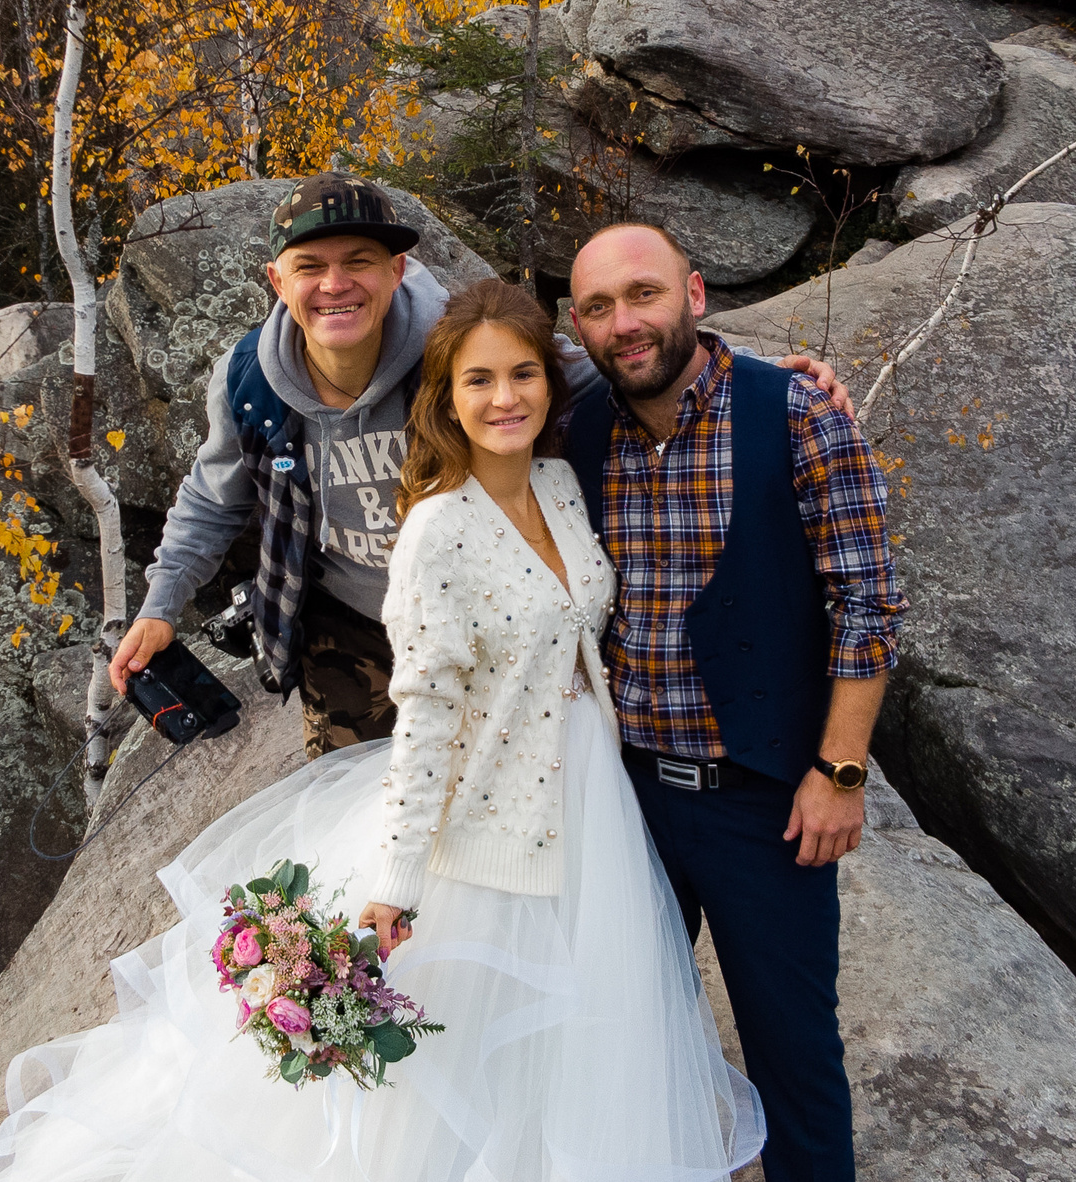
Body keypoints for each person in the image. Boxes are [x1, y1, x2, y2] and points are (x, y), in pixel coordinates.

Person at [0, 278, 775, 1182]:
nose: (503, 397)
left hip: (588, 797)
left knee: (574, 1047)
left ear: (551, 385)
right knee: (461, 1054)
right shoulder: (435, 529)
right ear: (444, 395)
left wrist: (776, 374)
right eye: (476, 379)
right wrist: (394, 882)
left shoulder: (555, 480)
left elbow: (657, 390)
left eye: (522, 376)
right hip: (479, 813)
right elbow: (424, 712)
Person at [108, 171, 849, 758]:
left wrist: (748, 374)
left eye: (359, 262)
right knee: (369, 822)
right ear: (278, 281)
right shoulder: (251, 381)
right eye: (311, 266)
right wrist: (160, 606)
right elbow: (213, 499)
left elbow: (587, 370)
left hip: (480, 615)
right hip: (351, 625)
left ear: (398, 268)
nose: (335, 284)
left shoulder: (459, 344)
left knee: (493, 808)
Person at [561, 221, 906, 1182]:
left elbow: (867, 599)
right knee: (619, 1041)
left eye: (644, 295)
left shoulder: (794, 412)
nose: (625, 322)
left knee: (793, 1051)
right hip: (624, 801)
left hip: (765, 799)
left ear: (693, 294)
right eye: (598, 306)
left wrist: (841, 771)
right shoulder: (579, 422)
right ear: (579, 326)